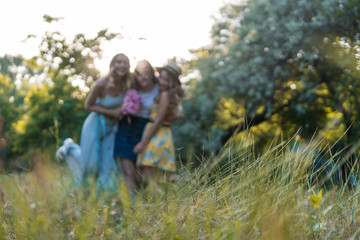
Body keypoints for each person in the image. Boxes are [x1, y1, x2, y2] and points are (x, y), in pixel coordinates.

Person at [61, 53, 132, 192]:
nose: (121, 65)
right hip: (95, 125)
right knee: (90, 165)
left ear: (128, 66)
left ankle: (104, 197)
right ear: (112, 64)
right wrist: (112, 112)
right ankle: (70, 148)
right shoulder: (101, 83)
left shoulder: (127, 84)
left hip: (112, 128)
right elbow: (88, 106)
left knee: (108, 165)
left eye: (125, 62)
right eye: (118, 61)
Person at [134, 62, 183, 184]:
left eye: (166, 80)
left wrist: (143, 142)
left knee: (149, 177)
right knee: (147, 175)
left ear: (172, 83)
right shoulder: (166, 94)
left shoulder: (165, 94)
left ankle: (170, 185)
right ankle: (172, 181)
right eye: (161, 78)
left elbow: (159, 120)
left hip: (157, 135)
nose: (161, 82)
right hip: (160, 134)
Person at [114, 60, 159, 191]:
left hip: (146, 130)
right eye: (138, 74)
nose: (142, 78)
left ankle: (145, 206)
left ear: (152, 74)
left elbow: (175, 91)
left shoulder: (159, 89)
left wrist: (144, 142)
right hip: (127, 127)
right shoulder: (131, 87)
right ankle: (129, 208)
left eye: (145, 73)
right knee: (129, 175)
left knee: (143, 176)